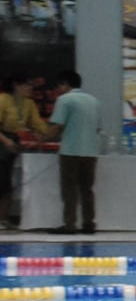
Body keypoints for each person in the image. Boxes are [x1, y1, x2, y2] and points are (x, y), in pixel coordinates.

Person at [46, 71, 101, 234]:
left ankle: (70, 225)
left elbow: (57, 126)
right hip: (90, 152)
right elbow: (98, 128)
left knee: (69, 189)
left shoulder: (64, 100)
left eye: (59, 85)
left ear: (65, 84)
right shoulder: (95, 101)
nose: (58, 89)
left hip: (70, 150)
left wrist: (43, 138)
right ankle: (89, 224)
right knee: (87, 189)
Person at [0, 73, 49, 228]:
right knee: (1, 179)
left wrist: (47, 134)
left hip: (14, 142)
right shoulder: (3, 100)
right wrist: (6, 141)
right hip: (3, 140)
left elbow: (38, 124)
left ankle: (3, 218)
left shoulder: (29, 104)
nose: (30, 88)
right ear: (16, 85)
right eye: (27, 85)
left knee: (7, 180)